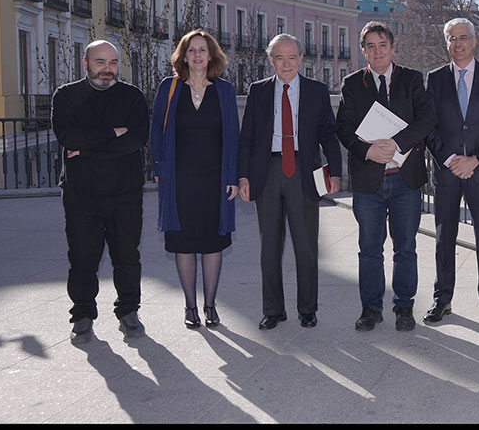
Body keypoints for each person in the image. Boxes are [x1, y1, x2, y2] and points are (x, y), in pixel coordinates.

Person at [238, 33, 342, 330]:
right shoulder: (257, 91)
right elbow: (247, 138)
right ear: (271, 60)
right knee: (269, 246)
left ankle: (307, 309)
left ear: (301, 59)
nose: (286, 63)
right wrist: (243, 176)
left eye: (292, 57)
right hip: (266, 173)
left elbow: (328, 135)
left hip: (303, 171)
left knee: (306, 246)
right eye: (279, 58)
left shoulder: (316, 91)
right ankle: (273, 310)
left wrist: (334, 171)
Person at [337, 21, 435, 332]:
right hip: (369, 181)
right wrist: (367, 152)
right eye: (370, 46)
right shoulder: (352, 84)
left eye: (382, 45)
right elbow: (344, 128)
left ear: (393, 48)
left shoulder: (411, 80)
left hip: (405, 179)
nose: (377, 51)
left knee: (405, 246)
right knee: (369, 248)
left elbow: (426, 119)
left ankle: (404, 307)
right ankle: (371, 309)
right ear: (363, 51)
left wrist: (397, 143)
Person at [51, 40, 149, 343]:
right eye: (100, 62)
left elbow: (137, 139)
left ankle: (128, 312)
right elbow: (68, 136)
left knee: (127, 256)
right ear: (86, 63)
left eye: (112, 63)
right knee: (82, 256)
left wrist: (88, 150)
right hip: (81, 194)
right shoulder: (66, 96)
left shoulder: (132, 97)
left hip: (126, 192)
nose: (107, 69)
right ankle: (82, 315)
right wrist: (112, 133)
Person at [423, 18, 479, 327]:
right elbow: (428, 127)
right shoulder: (434, 80)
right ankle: (442, 299)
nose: (458, 44)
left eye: (463, 38)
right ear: (445, 43)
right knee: (444, 237)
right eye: (451, 39)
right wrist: (449, 159)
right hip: (447, 172)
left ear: (474, 41)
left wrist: (474, 160)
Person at [151, 29, 239, 329]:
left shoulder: (224, 91)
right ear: (183, 56)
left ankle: (210, 305)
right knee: (184, 243)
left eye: (203, 50)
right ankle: (190, 307)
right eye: (192, 50)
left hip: (216, 179)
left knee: (213, 243)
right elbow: (156, 133)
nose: (198, 55)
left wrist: (233, 177)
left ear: (212, 55)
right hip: (179, 179)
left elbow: (233, 137)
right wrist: (160, 169)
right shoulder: (169, 88)